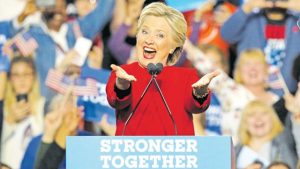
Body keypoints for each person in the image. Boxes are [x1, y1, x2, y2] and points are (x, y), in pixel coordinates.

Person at [106, 2, 219, 136]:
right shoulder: (123, 73)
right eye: (144, 31)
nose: (149, 40)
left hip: (175, 154)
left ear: (173, 46)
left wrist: (199, 93)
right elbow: (117, 101)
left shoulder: (186, 77)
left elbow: (197, 106)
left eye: (159, 35)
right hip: (131, 155)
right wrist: (122, 87)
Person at [221, 0, 300, 94]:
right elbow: (227, 34)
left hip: (289, 96)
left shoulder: (296, 22)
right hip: (250, 93)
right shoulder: (250, 21)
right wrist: (248, 7)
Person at [1, 56, 45, 169]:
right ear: (10, 79)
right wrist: (9, 122)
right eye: (16, 75)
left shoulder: (44, 106)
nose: (22, 79)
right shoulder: (2, 109)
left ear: (34, 77)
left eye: (26, 74)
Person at [235, 100, 297, 169]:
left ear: (272, 118)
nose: (258, 118)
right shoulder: (234, 151)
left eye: (264, 113)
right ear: (245, 122)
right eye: (252, 115)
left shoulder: (286, 142)